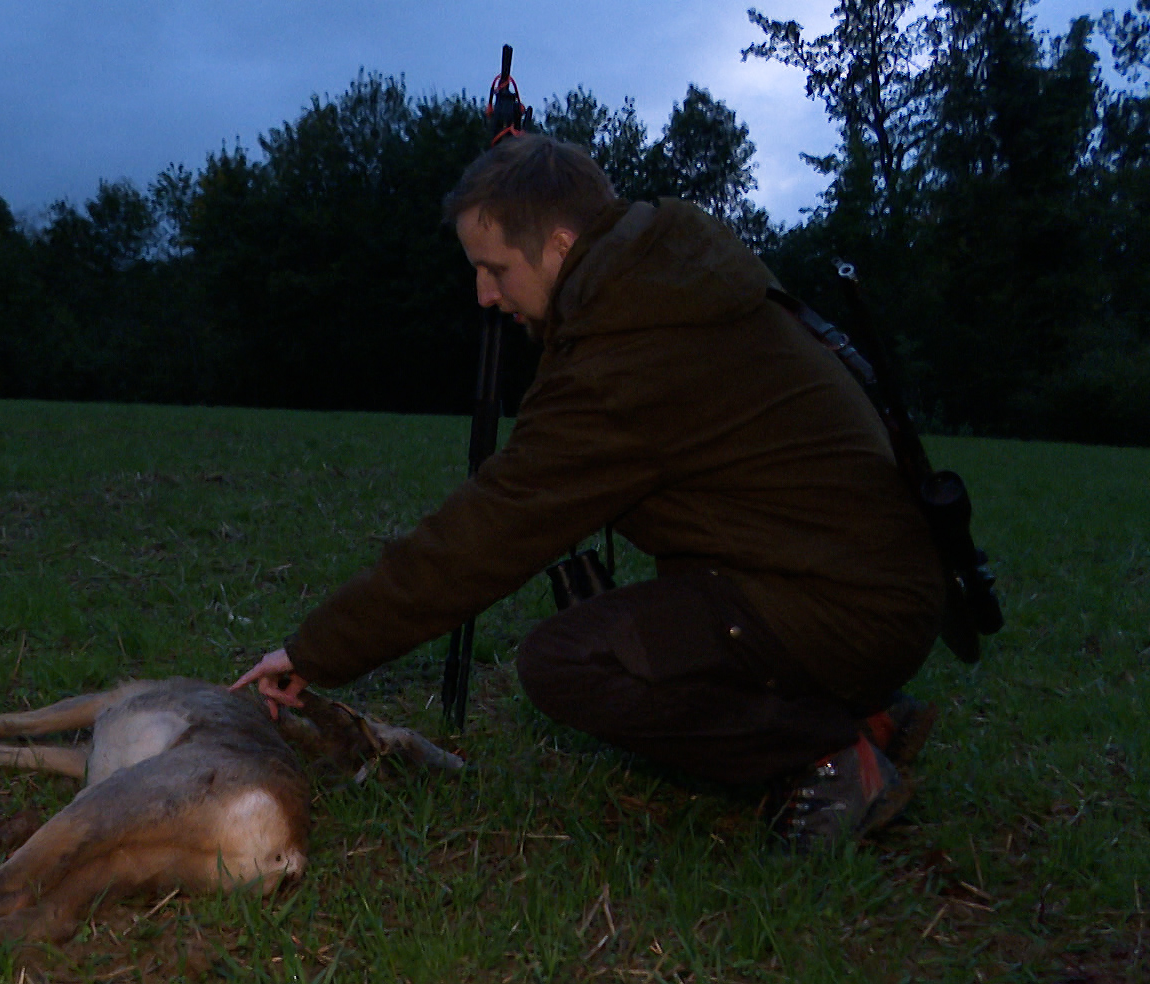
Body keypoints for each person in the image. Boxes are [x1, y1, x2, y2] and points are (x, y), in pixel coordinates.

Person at [233, 135, 945, 851]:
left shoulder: (632, 348)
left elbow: (489, 531)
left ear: (561, 246)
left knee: (569, 662)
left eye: (495, 269)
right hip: (858, 584)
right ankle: (869, 716)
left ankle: (827, 759)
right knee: (655, 617)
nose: (484, 295)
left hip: (847, 606)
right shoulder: (662, 284)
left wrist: (315, 647)